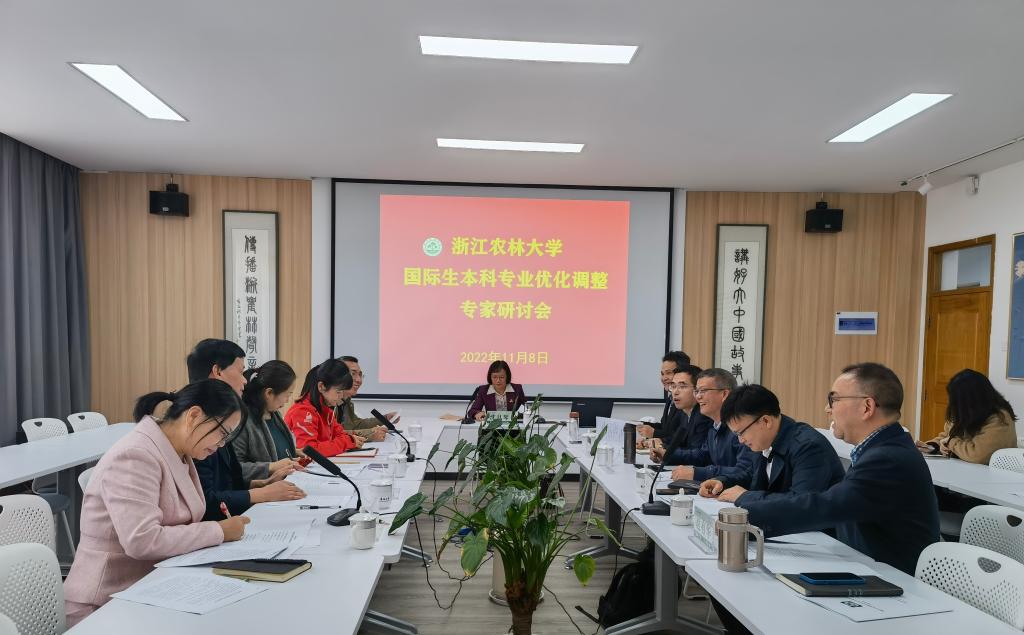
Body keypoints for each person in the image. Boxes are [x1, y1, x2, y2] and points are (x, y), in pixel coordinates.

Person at [64, 380, 252, 625]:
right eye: (222, 433)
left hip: (149, 587)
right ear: (194, 415)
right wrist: (218, 531)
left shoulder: (178, 450)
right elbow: (141, 540)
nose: (221, 444)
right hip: (104, 603)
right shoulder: (136, 455)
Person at [739, 363, 939, 575]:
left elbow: (825, 505)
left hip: (893, 579)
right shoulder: (879, 448)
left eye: (833, 400)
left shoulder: (887, 459)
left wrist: (745, 519)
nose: (828, 409)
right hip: (866, 564)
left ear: (867, 407)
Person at [189, 339, 305, 520]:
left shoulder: (220, 414)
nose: (245, 380)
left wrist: (264, 483)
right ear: (218, 371)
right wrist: (262, 493)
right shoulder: (199, 420)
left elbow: (229, 482)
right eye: (240, 371)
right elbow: (204, 501)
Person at [698, 384, 844, 504]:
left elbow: (801, 503)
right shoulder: (765, 439)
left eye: (741, 433)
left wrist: (745, 497)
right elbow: (751, 475)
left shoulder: (808, 446)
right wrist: (723, 482)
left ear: (766, 421)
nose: (740, 440)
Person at [658, 368, 756, 486]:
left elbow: (744, 471)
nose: (698, 397)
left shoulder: (742, 427)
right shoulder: (714, 425)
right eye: (697, 391)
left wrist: (698, 473)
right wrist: (668, 454)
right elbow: (702, 455)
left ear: (724, 394)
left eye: (703, 391)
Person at [917, 368, 1018, 464]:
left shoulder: (1000, 419)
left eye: (957, 401)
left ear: (971, 400)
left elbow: (977, 455)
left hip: (989, 473)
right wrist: (933, 446)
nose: (952, 404)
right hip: (961, 468)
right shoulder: (964, 411)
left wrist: (950, 443)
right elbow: (948, 435)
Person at [232, 360, 305, 482]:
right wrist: (270, 467)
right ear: (269, 393)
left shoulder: (275, 415)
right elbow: (233, 468)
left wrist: (293, 453)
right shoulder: (242, 421)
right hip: (263, 491)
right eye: (287, 395)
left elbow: (274, 451)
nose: (287, 400)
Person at [286, 358, 367, 456]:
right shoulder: (302, 411)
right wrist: (347, 442)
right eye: (338, 392)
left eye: (342, 392)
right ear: (321, 386)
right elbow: (310, 451)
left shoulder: (327, 410)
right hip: (302, 465)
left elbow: (341, 435)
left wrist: (348, 440)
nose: (341, 396)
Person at [647, 365, 710, 458]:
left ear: (697, 390)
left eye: (682, 386)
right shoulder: (684, 413)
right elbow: (678, 441)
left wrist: (664, 451)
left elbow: (697, 454)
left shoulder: (703, 416)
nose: (675, 392)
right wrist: (659, 443)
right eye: (673, 386)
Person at [638, 351, 691, 442]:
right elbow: (665, 428)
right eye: (662, 374)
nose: (664, 378)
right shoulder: (670, 398)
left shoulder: (686, 401)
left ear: (682, 373)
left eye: (668, 373)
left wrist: (654, 433)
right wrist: (640, 425)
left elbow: (680, 437)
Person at [336, 355, 388, 442]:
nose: (359, 380)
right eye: (353, 374)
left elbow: (355, 424)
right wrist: (370, 433)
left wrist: (385, 418)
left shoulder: (346, 401)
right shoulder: (328, 403)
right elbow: (332, 435)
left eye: (360, 375)